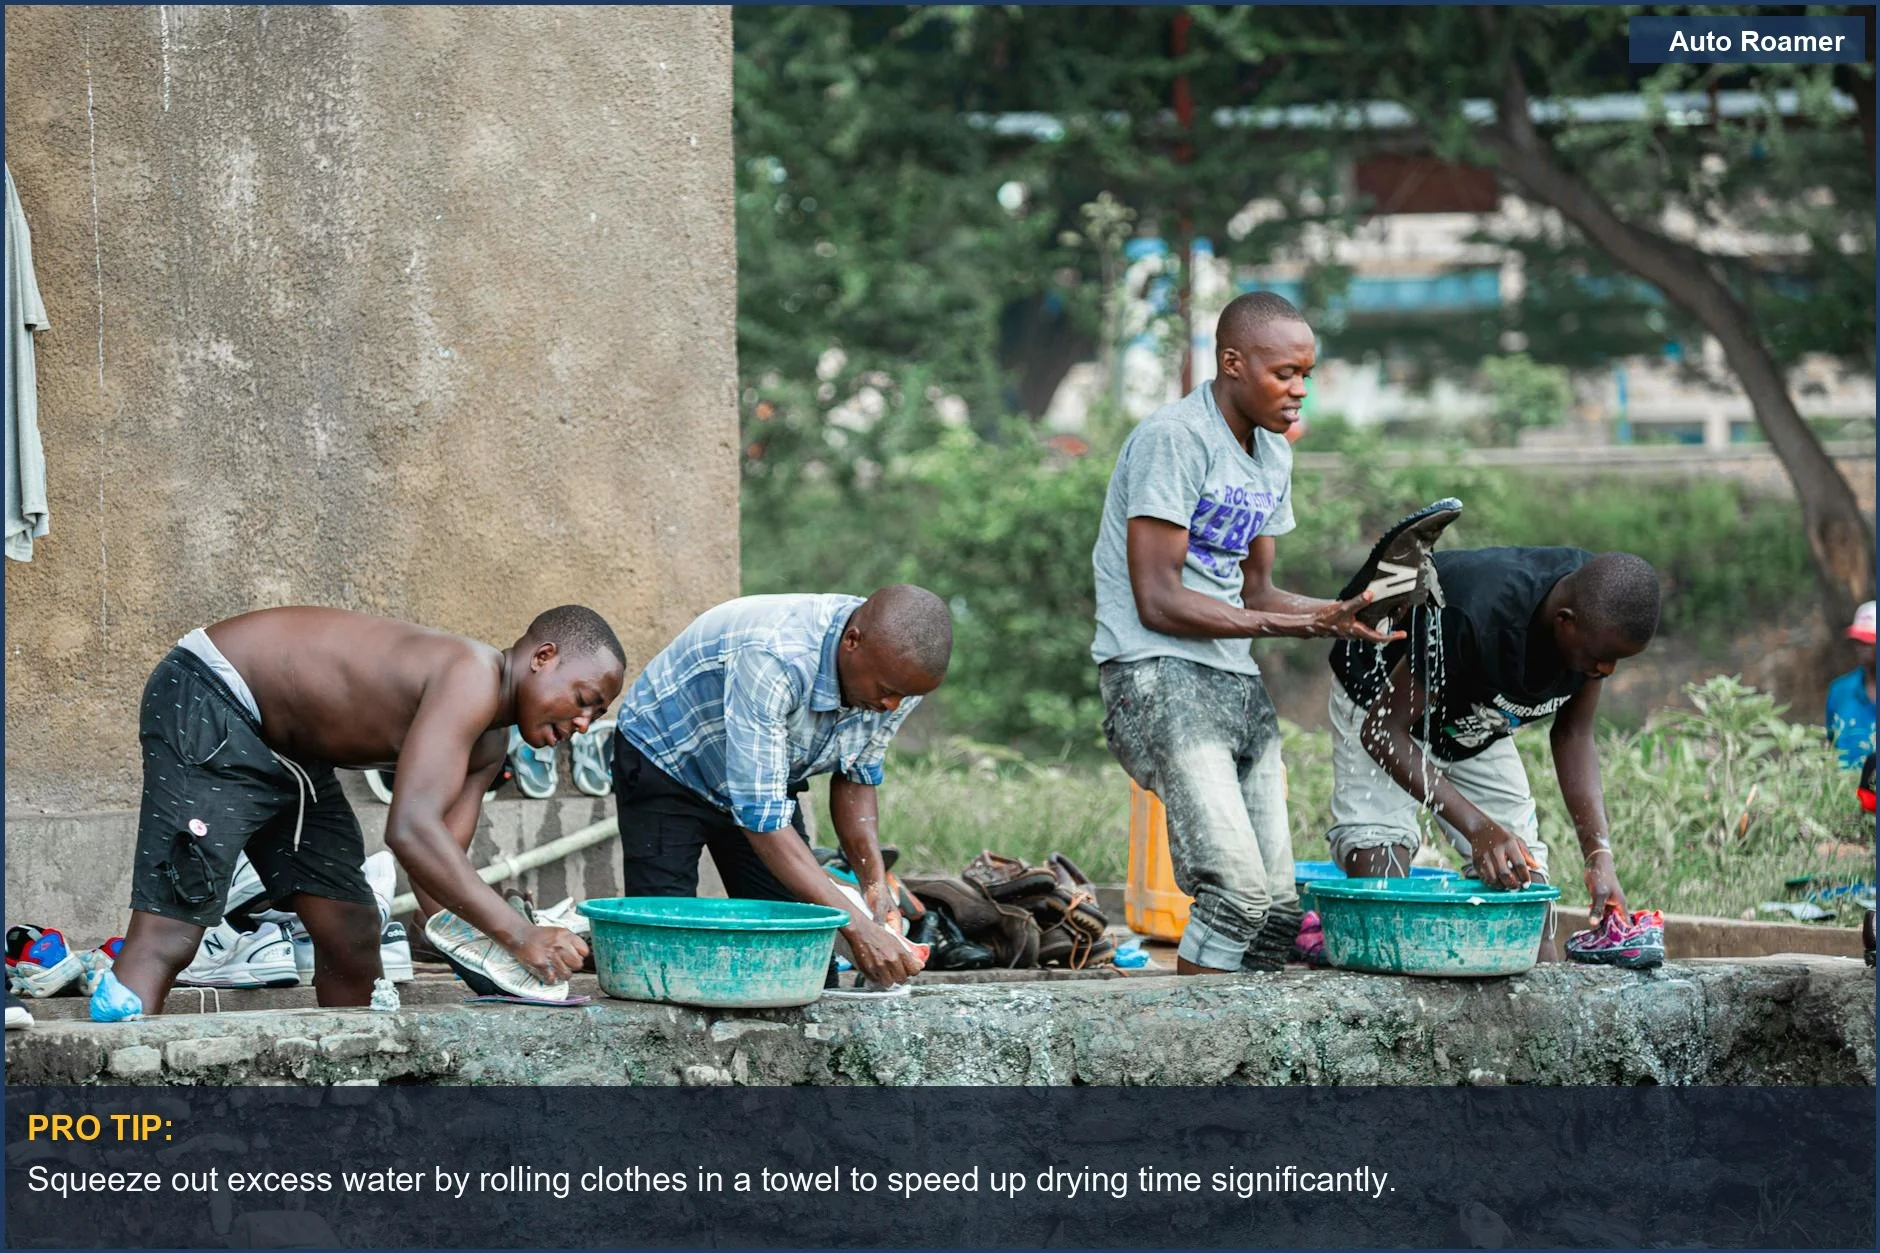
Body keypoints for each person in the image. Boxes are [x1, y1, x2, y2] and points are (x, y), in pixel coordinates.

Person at [95, 605, 624, 1019]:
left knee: (351, 929)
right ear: (543, 656)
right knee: (171, 932)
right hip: (215, 693)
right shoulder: (472, 673)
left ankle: (353, 1105)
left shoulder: (489, 745)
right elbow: (411, 830)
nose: (582, 724)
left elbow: (435, 874)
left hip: (293, 752)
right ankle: (112, 1119)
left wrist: (492, 947)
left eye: (596, 715)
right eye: (583, 698)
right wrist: (518, 934)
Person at [1091, 290, 1396, 977]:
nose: (1299, 390)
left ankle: (1252, 1071)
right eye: (1284, 373)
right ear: (1232, 363)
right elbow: (1159, 600)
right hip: (1157, 672)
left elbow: (1257, 591)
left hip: (1232, 675)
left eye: (1306, 374)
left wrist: (1346, 612)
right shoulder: (1176, 438)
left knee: (1278, 913)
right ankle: (1195, 1069)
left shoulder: (1272, 455)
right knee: (1234, 896)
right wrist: (1298, 623)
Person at [610, 586, 950, 988]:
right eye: (887, 692)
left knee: (801, 958)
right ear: (852, 642)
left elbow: (856, 775)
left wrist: (874, 888)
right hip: (669, 755)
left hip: (764, 775)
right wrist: (858, 929)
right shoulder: (776, 656)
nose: (892, 705)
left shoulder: (895, 676)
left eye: (904, 696)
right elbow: (764, 822)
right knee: (662, 957)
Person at [1325, 548, 1661, 945]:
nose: (1606, 671)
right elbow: (1383, 731)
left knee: (1524, 887)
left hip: (1472, 714)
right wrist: (1477, 826)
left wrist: (1598, 853)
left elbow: (1574, 735)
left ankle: (1533, 1003)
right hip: (1384, 699)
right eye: (1602, 659)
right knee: (1379, 873)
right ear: (1564, 623)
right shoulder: (1475, 614)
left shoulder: (1599, 611)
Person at [1825, 600, 1875, 771]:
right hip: (1846, 791)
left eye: (1869, 642)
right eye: (1858, 641)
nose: (1862, 648)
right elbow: (1830, 747)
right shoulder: (1840, 691)